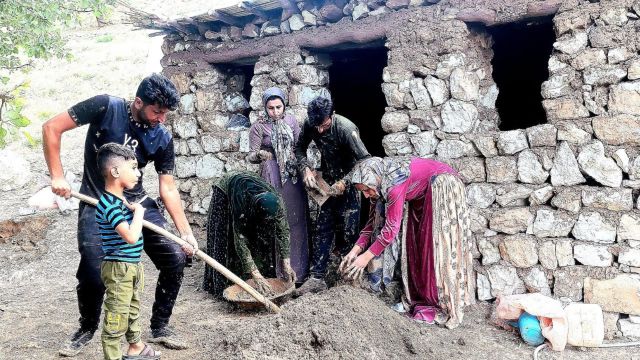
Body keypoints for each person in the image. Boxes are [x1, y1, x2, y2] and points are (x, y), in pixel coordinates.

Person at [43, 73, 198, 356]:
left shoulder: (162, 136)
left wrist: (185, 232)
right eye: (157, 111)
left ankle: (161, 325)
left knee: (175, 257)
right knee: (93, 270)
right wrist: (58, 176)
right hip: (97, 202)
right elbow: (52, 127)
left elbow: (168, 188)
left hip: (137, 205)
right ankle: (87, 327)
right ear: (139, 102)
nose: (161, 119)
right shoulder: (106, 107)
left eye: (165, 114)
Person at [339, 157, 475, 329]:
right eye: (362, 191)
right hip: (421, 195)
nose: (366, 195)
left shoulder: (394, 186)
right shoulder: (378, 186)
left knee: (434, 250)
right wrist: (354, 251)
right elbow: (371, 224)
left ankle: (437, 305)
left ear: (375, 180)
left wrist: (365, 258)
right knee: (416, 247)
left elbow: (390, 230)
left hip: (441, 186)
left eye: (366, 190)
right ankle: (420, 300)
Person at [294, 96, 370, 294]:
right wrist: (306, 169)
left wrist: (345, 182)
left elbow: (365, 161)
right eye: (316, 126)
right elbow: (299, 148)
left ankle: (347, 280)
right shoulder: (312, 123)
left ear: (332, 116)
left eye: (324, 126)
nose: (319, 130)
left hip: (351, 184)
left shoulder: (346, 128)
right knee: (322, 229)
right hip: (326, 183)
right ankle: (317, 277)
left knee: (349, 231)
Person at [95, 143, 161, 360]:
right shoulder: (108, 204)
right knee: (116, 316)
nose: (138, 173)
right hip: (119, 268)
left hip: (131, 265)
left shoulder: (118, 201)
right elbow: (131, 236)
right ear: (115, 171)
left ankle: (136, 348)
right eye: (133, 167)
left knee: (132, 309)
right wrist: (139, 213)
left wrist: (131, 209)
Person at [246, 87, 309, 283]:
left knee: (296, 219)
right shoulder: (258, 127)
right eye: (271, 108)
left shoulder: (291, 121)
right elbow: (250, 155)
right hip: (271, 173)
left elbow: (300, 146)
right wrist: (259, 155)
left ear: (284, 105)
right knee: (275, 219)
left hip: (291, 174)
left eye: (278, 107)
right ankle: (279, 273)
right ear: (265, 108)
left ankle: (299, 271)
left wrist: (305, 168)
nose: (275, 112)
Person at [203, 171, 297, 297]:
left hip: (254, 196)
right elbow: (240, 239)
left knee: (261, 236)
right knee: (225, 237)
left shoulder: (278, 203)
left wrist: (287, 264)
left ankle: (253, 275)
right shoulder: (241, 203)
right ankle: (224, 284)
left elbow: (283, 231)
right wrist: (255, 274)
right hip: (227, 189)